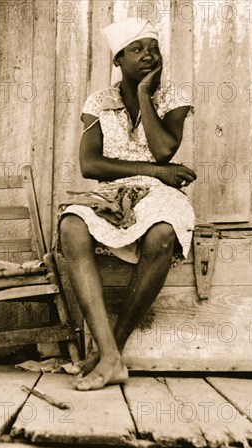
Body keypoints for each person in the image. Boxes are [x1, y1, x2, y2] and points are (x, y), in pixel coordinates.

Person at [58, 18, 197, 391]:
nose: (149, 56)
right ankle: (109, 354)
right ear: (118, 60)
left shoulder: (173, 96)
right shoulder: (99, 103)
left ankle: (110, 353)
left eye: (153, 48)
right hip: (114, 191)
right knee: (71, 226)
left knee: (163, 233)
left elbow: (165, 148)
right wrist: (153, 170)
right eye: (137, 50)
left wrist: (144, 96)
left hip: (159, 193)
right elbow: (91, 165)